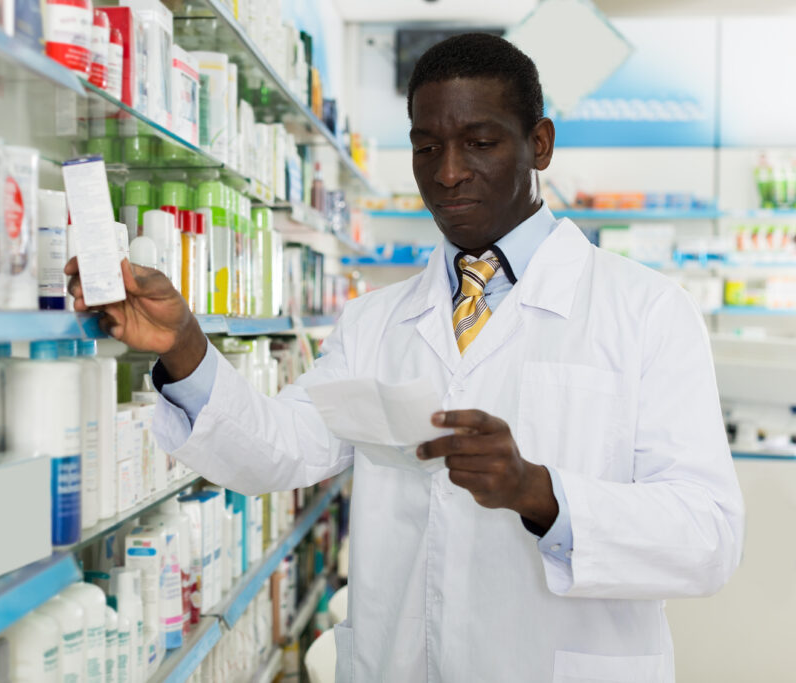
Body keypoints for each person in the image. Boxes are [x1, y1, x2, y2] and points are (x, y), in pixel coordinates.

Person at [67, 33, 743, 683]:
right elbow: (281, 449)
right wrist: (185, 345)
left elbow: (708, 535)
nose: (449, 173)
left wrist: (541, 492)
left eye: (480, 142)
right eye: (427, 147)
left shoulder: (645, 310)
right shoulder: (376, 321)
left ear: (539, 144)